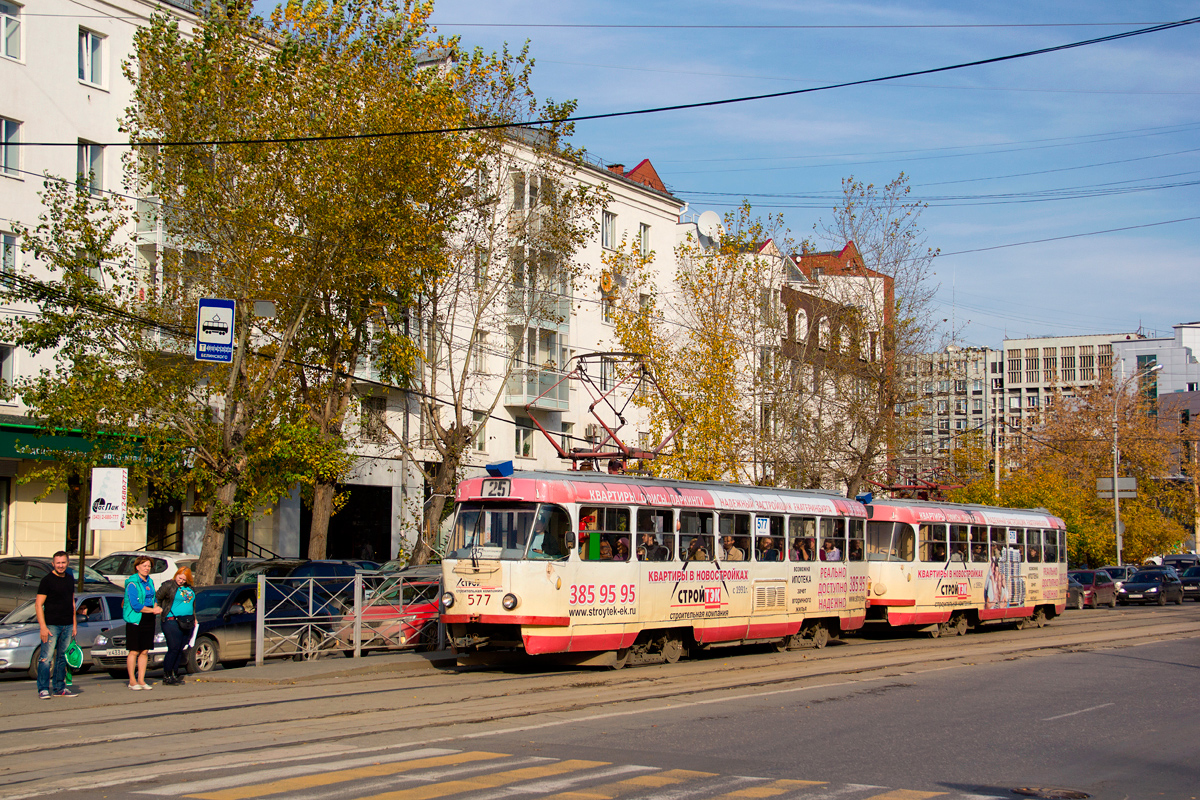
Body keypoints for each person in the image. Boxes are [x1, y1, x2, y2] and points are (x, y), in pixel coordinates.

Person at [34, 551, 78, 699]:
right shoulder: (47, 580)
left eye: (63, 562)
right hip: (51, 625)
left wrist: (74, 624)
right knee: (46, 658)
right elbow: (39, 605)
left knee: (62, 658)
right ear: (53, 564)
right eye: (58, 563)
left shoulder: (70, 579)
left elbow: (72, 602)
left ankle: (60, 687)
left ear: (67, 563)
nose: (61, 565)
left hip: (67, 624)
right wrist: (43, 627)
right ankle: (43, 688)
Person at [123, 556, 162, 691]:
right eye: (144, 566)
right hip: (136, 619)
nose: (146, 568)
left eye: (148, 566)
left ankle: (141, 679)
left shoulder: (150, 582)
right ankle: (132, 680)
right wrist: (152, 610)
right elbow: (135, 605)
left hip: (149, 618)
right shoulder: (132, 583)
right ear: (137, 567)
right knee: (134, 650)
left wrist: (156, 607)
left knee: (144, 651)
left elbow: (153, 598)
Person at [156, 567, 196, 686]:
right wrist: (159, 609)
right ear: (176, 575)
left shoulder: (190, 589)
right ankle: (167, 675)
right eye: (180, 578)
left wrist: (195, 619)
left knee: (180, 649)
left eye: (184, 579)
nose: (181, 581)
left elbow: (192, 604)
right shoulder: (169, 585)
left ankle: (174, 674)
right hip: (171, 620)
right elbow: (158, 597)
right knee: (173, 648)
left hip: (187, 621)